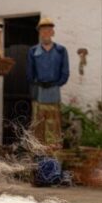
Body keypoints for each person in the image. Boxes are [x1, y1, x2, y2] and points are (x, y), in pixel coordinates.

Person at [27, 17, 69, 149]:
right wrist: (37, 83)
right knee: (38, 123)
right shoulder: (33, 51)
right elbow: (29, 73)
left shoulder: (61, 50)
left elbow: (65, 72)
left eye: (48, 30)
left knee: (54, 123)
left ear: (53, 32)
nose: (46, 32)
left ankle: (54, 151)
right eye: (43, 30)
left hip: (54, 91)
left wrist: (56, 83)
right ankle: (38, 152)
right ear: (40, 32)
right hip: (39, 92)